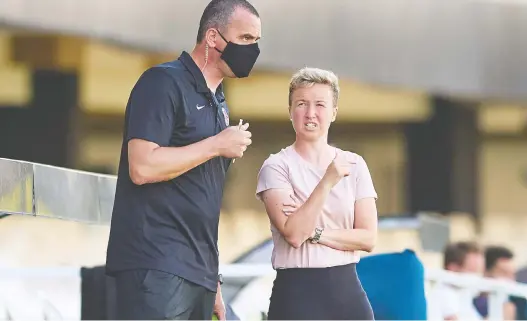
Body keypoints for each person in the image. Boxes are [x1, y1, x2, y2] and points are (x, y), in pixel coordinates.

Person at [104, 0, 261, 319]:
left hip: (197, 274)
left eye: (257, 41)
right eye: (246, 39)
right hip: (155, 266)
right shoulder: (163, 83)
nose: (253, 50)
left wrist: (212, 280)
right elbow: (142, 166)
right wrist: (216, 145)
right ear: (214, 38)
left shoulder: (217, 101)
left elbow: (200, 198)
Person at [255, 67, 379, 320]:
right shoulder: (277, 166)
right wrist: (327, 182)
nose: (311, 113)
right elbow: (294, 234)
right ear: (290, 111)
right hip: (297, 293)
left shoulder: (354, 164)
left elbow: (367, 238)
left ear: (333, 112)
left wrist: (316, 232)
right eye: (301, 104)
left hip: (347, 292)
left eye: (320, 105)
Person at [428, 241, 485, 320]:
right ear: (453, 268)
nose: (478, 277)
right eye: (473, 270)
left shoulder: (463, 296)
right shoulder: (444, 294)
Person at [473, 246, 519, 320]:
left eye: (512, 274)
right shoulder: (469, 300)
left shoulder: (515, 302)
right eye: (504, 273)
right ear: (485, 272)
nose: (510, 279)